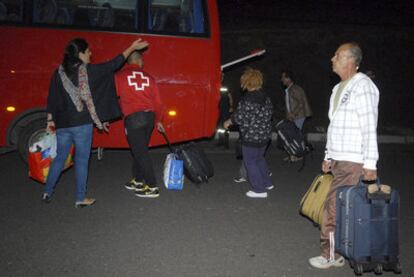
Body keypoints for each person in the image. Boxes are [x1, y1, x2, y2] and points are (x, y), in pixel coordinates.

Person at [42, 38, 149, 208]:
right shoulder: (88, 71)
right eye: (88, 51)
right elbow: (113, 64)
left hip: (62, 124)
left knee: (60, 158)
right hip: (82, 123)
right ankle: (80, 197)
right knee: (82, 161)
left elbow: (52, 98)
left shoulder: (59, 72)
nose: (91, 54)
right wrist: (131, 48)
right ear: (81, 53)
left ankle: (47, 191)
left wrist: (49, 120)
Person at [309, 42, 379, 269]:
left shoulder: (363, 86)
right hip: (340, 158)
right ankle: (340, 252)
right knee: (340, 209)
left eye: (337, 55)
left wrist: (370, 163)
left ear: (351, 61)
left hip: (353, 160)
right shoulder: (338, 88)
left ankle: (330, 254)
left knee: (331, 208)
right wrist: (328, 155)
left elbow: (369, 126)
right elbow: (335, 126)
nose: (332, 59)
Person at [115, 51, 165, 198]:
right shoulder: (149, 78)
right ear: (138, 60)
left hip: (134, 117)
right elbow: (158, 103)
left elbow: (112, 97)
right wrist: (158, 120)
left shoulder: (119, 76)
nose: (143, 63)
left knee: (140, 152)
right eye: (142, 61)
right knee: (140, 150)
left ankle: (152, 186)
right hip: (149, 117)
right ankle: (138, 180)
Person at [224, 68, 273, 198]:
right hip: (265, 135)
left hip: (251, 136)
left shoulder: (247, 99)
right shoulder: (266, 97)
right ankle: (268, 183)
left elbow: (240, 117)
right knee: (259, 159)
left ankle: (259, 190)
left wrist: (229, 121)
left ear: (246, 82)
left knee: (250, 161)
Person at [280, 70, 312, 162]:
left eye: (283, 77)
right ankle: (293, 154)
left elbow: (301, 103)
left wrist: (293, 113)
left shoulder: (295, 89)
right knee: (293, 136)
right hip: (295, 115)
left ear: (288, 78)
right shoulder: (290, 89)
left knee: (296, 136)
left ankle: (298, 155)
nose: (282, 79)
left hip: (299, 116)